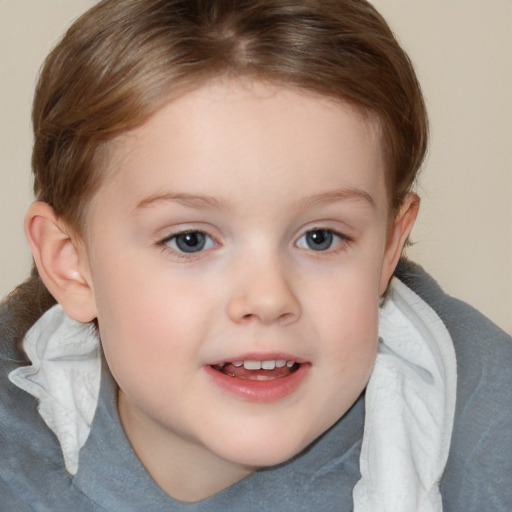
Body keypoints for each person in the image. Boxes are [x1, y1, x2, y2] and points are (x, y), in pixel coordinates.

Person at [0, 0, 510, 510]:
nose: (268, 299)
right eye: (190, 240)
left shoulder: (489, 452)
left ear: (387, 249)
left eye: (320, 237)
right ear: (71, 264)